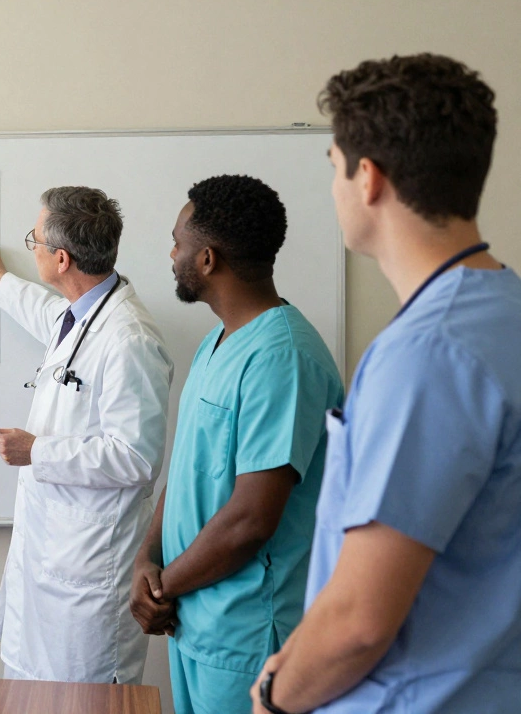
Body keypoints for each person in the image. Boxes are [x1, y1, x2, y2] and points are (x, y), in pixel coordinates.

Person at [252, 54, 520, 714]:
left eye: (334, 168)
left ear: (367, 178)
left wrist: (273, 696)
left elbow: (358, 623)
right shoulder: (503, 311)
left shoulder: (427, 354)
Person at [129, 174, 344, 714]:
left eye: (177, 242)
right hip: (195, 623)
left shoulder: (283, 358)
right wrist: (146, 560)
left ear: (207, 259)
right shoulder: (215, 344)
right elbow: (188, 472)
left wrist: (164, 587)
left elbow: (252, 519)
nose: (171, 254)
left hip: (248, 639)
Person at [0, 186, 173, 684]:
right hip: (54, 555)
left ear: (61, 259)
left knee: (80, 697)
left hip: (89, 566)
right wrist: (0, 277)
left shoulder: (129, 339)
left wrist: (36, 451)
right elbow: (46, 314)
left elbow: (136, 457)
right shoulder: (82, 315)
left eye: (34, 240)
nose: (31, 247)